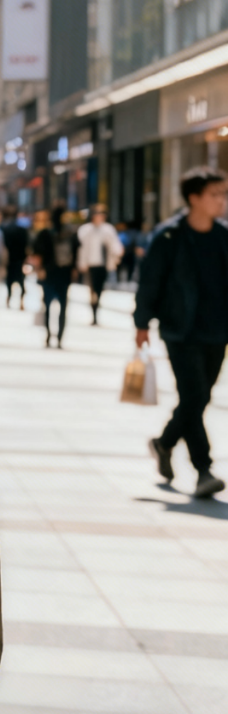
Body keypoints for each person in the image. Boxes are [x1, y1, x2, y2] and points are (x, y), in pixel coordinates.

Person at [135, 166, 228, 500]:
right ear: (194, 198)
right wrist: (142, 323)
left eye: (223, 194)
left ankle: (164, 443)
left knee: (199, 398)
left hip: (218, 332)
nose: (222, 201)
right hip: (180, 331)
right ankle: (204, 470)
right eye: (215, 195)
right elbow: (150, 282)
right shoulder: (169, 236)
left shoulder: (223, 236)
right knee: (194, 396)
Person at [31, 206, 75, 348]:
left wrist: (39, 270)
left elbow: (37, 253)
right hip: (64, 274)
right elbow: (76, 254)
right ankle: (60, 337)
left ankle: (49, 335)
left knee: (48, 305)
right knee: (63, 306)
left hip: (48, 273)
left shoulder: (45, 233)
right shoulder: (69, 233)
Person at [76, 204, 123, 325]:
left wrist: (118, 254)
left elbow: (114, 245)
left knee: (100, 288)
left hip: (103, 264)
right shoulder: (85, 230)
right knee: (92, 290)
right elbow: (82, 248)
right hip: (90, 264)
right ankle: (94, 313)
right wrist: (82, 263)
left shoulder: (108, 229)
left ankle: (96, 310)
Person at [2, 211, 30, 310]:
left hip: (9, 260)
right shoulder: (22, 230)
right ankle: (21, 302)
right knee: (21, 281)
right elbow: (27, 245)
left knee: (9, 281)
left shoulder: (5, 229)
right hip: (20, 260)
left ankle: (9, 299)